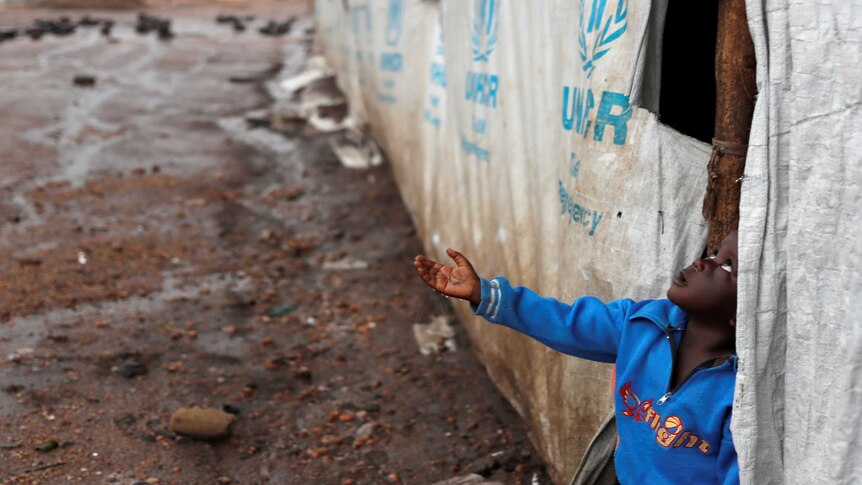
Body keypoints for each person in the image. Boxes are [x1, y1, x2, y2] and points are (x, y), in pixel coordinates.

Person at [413, 232, 740, 485]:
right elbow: (568, 323)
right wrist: (484, 294)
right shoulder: (644, 323)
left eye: (727, 266)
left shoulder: (739, 395)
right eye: (713, 253)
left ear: (746, 314)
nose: (702, 262)